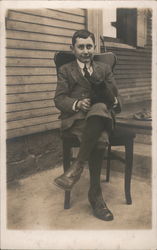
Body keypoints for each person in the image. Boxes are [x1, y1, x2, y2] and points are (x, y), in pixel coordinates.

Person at [54, 29, 120, 221]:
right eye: (80, 46)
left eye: (89, 46)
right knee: (100, 138)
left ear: (94, 47)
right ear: (72, 49)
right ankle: (95, 194)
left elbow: (116, 96)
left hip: (101, 115)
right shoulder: (66, 70)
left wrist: (111, 98)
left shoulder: (104, 69)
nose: (85, 51)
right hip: (77, 119)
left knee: (100, 108)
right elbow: (59, 99)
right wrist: (76, 104)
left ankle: (77, 167)